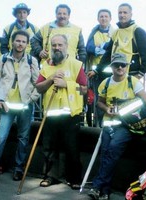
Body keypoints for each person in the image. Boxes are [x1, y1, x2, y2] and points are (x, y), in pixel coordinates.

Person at [88, 53, 146, 200]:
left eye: (123, 65)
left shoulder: (133, 82)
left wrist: (126, 109)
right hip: (109, 123)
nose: (120, 67)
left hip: (127, 126)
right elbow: (99, 102)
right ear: (112, 67)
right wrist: (106, 109)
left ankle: (97, 186)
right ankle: (104, 191)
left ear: (127, 67)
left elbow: (145, 102)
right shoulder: (106, 83)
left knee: (113, 150)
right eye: (117, 65)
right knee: (105, 155)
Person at [36, 34, 87, 189]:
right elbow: (39, 88)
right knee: (49, 148)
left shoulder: (76, 64)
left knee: (72, 147)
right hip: (51, 113)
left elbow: (84, 89)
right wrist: (51, 78)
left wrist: (67, 84)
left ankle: (74, 178)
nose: (56, 48)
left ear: (66, 46)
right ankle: (51, 176)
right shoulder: (46, 66)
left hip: (70, 113)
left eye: (60, 45)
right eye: (54, 45)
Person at [0, 30, 40, 181]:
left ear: (27, 44)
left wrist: (31, 99)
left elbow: (37, 82)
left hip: (24, 105)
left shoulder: (32, 61)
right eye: (18, 41)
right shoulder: (3, 59)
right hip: (7, 104)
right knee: (1, 136)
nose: (20, 44)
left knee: (23, 138)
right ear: (12, 42)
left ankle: (19, 168)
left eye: (23, 42)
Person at [87, 3, 146, 80]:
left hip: (132, 75)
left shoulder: (137, 31)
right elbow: (108, 54)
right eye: (120, 12)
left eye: (125, 12)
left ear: (131, 14)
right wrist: (97, 70)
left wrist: (140, 74)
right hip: (116, 75)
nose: (122, 15)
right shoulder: (116, 33)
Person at [86, 9, 115, 127]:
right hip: (98, 74)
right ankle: (100, 126)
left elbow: (112, 47)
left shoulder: (115, 33)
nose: (103, 18)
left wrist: (102, 47)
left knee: (113, 99)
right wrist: (105, 47)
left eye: (106, 16)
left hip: (113, 74)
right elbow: (90, 48)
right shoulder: (94, 33)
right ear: (98, 19)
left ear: (110, 18)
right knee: (99, 101)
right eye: (101, 16)